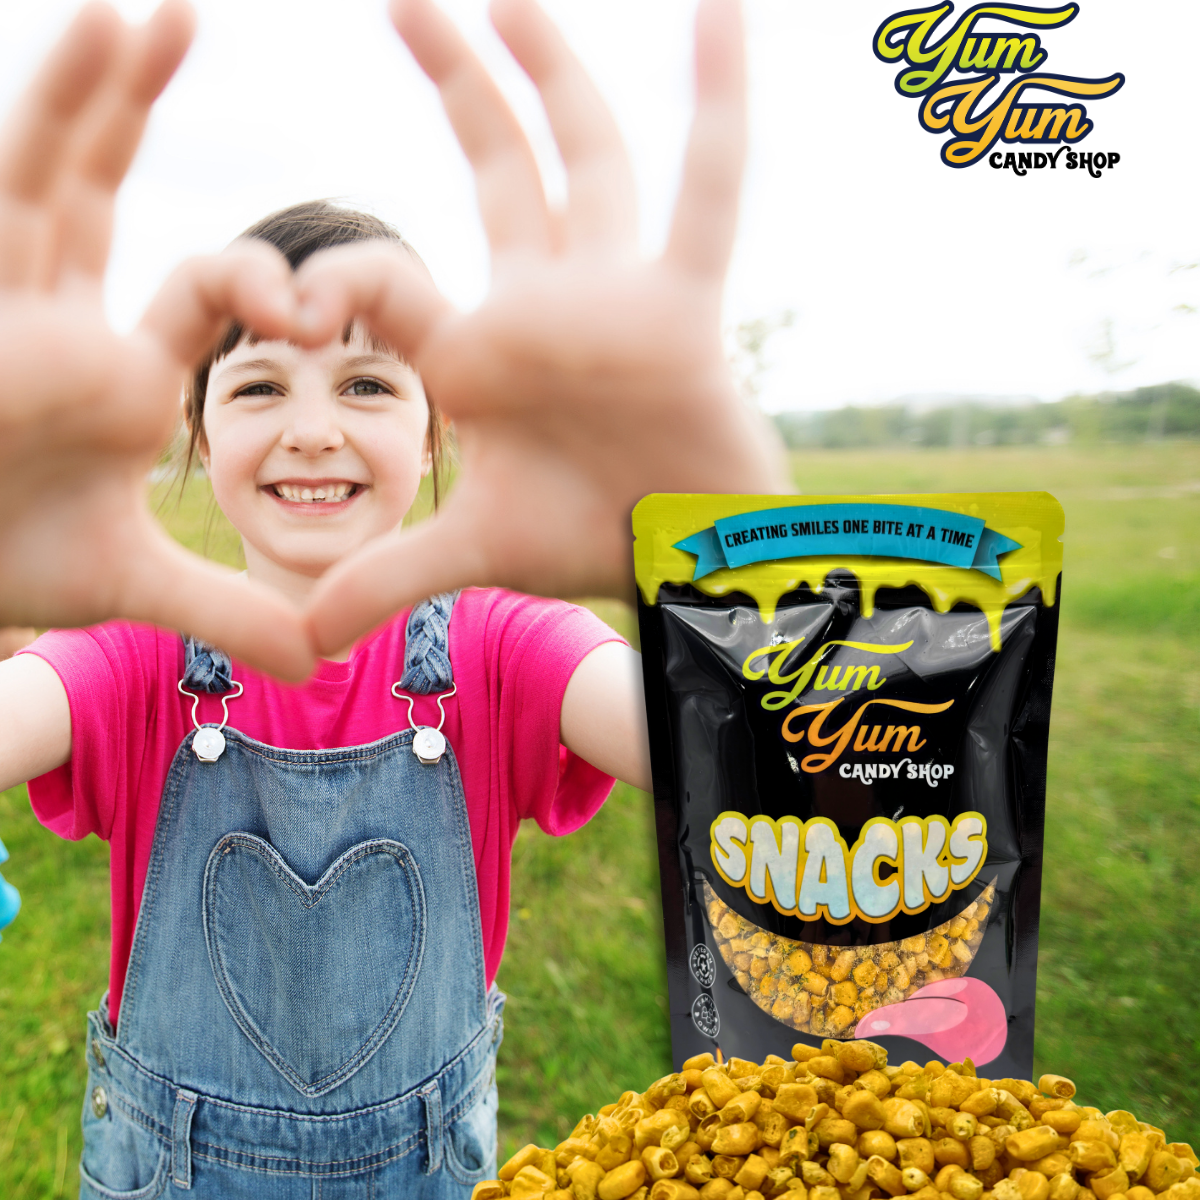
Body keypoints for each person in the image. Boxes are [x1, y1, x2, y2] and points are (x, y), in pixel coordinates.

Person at [0, 0, 787, 1194]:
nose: (312, 430)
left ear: (434, 436)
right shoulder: (129, 659)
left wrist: (716, 553)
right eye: (258, 385)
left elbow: (781, 778)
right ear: (199, 434)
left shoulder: (510, 650)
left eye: (368, 382)